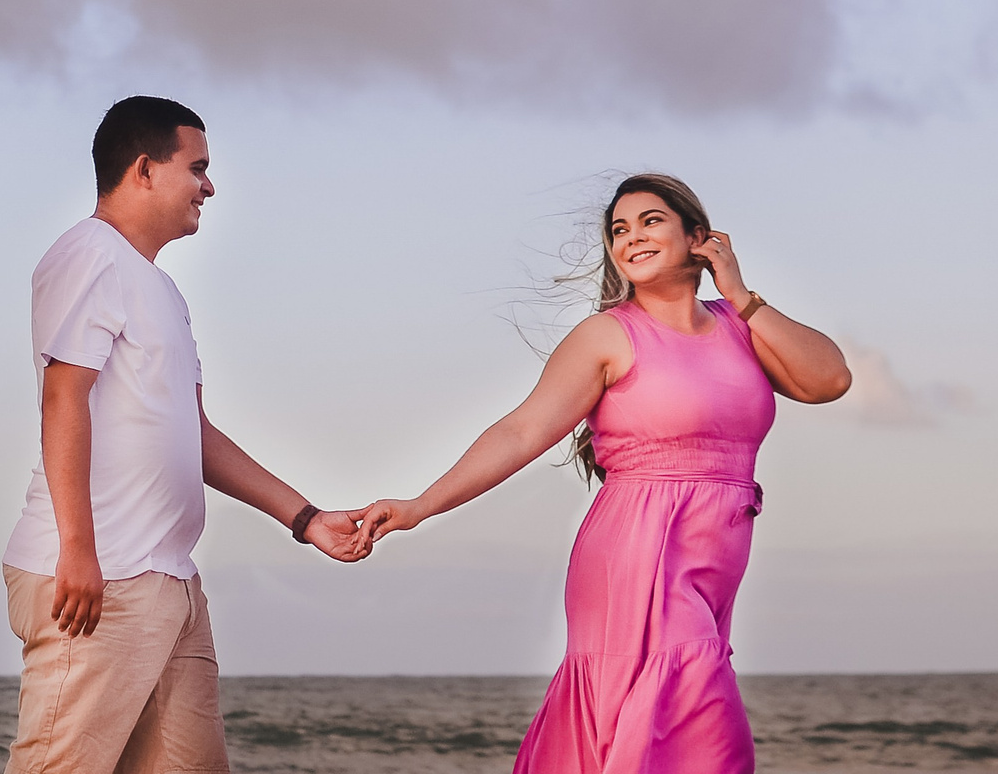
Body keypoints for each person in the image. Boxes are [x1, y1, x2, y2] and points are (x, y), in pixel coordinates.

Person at [354, 174, 853, 773]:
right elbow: (522, 431)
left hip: (716, 557)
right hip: (639, 546)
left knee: (662, 721)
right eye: (619, 230)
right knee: (697, 723)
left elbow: (828, 381)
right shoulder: (608, 335)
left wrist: (740, 293)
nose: (631, 238)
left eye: (650, 221)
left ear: (699, 237)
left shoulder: (739, 325)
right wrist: (421, 505)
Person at [2, 96, 371, 774]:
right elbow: (63, 398)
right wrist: (79, 550)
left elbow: (195, 436)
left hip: (170, 583)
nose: (210, 186)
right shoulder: (89, 255)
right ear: (145, 169)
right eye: (197, 168)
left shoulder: (163, 291)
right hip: (99, 580)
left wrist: (306, 519)